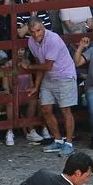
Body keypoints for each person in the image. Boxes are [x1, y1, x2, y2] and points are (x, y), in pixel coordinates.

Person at [24, 18, 77, 155]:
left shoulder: (53, 39)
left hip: (64, 75)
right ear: (29, 31)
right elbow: (41, 64)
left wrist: (29, 66)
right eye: (32, 31)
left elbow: (47, 65)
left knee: (66, 110)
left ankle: (69, 143)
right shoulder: (31, 41)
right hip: (50, 76)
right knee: (46, 108)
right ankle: (58, 140)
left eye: (38, 30)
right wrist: (37, 85)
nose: (36, 34)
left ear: (43, 28)